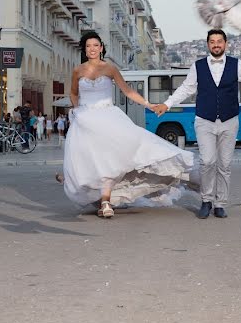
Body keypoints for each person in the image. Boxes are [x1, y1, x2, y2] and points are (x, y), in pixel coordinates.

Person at [156, 29, 241, 219]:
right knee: (207, 162)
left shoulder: (237, 64)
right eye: (212, 42)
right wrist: (167, 104)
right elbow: (186, 89)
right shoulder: (198, 66)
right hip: (204, 120)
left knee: (225, 164)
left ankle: (220, 204)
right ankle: (206, 200)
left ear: (226, 44)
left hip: (229, 121)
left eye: (220, 41)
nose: (216, 44)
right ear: (208, 45)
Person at [67, 31, 196, 219]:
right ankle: (97, 195)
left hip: (107, 117)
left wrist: (148, 104)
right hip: (85, 119)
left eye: (95, 45)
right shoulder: (78, 70)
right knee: (89, 159)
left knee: (111, 157)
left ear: (101, 48)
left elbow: (128, 91)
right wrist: (77, 109)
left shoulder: (110, 69)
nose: (92, 49)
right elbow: (73, 92)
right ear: (84, 50)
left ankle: (105, 201)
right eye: (88, 46)